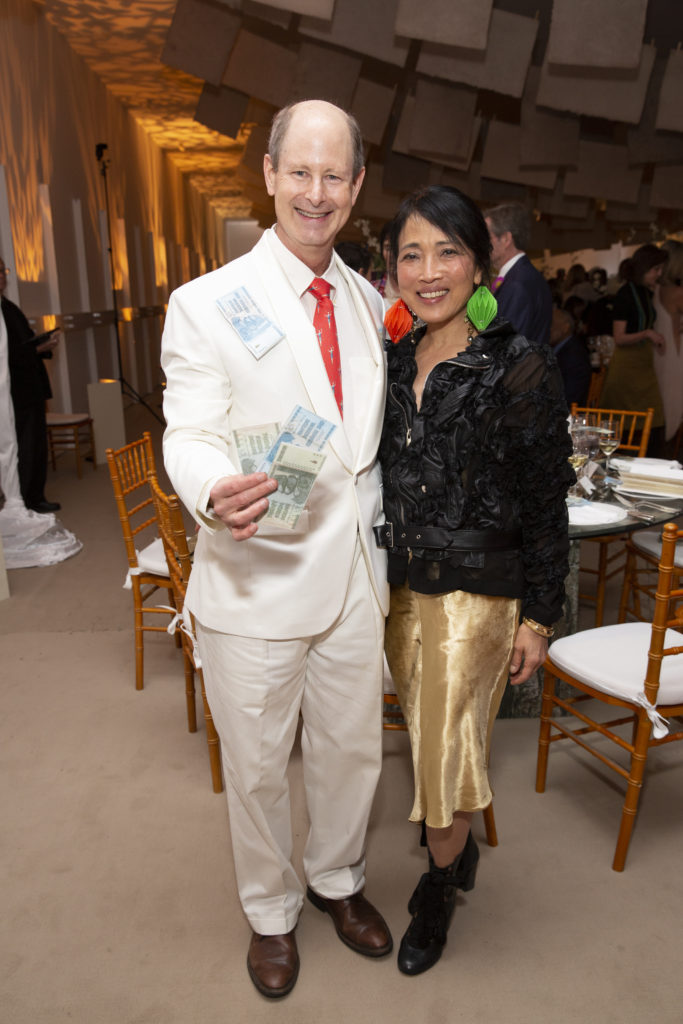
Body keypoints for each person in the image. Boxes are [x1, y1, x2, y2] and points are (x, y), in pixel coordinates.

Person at [160, 99, 391, 999]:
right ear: (268, 174)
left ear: (357, 187)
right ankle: (269, 909)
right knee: (256, 766)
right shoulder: (207, 302)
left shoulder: (371, 301)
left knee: (350, 751)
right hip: (257, 574)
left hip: (354, 580)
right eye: (300, 171)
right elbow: (189, 427)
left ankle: (337, 879)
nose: (315, 192)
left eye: (334, 175)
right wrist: (211, 487)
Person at [378, 185, 572, 976]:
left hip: (478, 594)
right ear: (391, 269)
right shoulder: (390, 359)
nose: (428, 272)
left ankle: (435, 885)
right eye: (410, 255)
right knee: (427, 739)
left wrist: (538, 616)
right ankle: (455, 859)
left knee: (445, 750)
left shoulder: (517, 365)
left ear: (480, 264)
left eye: (446, 251)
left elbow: (543, 498)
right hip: (399, 589)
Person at [0, 257, 60, 513]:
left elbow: (21, 344)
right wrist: (39, 349)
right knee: (25, 446)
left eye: (3, 270)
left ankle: (35, 495)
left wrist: (40, 347)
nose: (3, 275)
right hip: (17, 392)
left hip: (30, 387)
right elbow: (9, 355)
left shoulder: (9, 306)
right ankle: (27, 500)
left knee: (35, 444)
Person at [600, 244, 668, 455]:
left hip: (643, 363)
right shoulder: (625, 295)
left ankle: (645, 460)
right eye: (655, 269)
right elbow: (619, 337)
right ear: (643, 268)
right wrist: (647, 334)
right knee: (626, 422)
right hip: (627, 367)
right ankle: (629, 462)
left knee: (653, 418)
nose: (659, 274)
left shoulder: (645, 292)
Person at [484, 202, 553, 346]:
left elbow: (507, 348)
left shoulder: (517, 284)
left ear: (506, 239)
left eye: (486, 237)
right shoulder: (522, 275)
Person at [653, 240, 683, 451]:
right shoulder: (677, 292)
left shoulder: (653, 289)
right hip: (674, 352)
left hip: (657, 353)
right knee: (673, 403)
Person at [550, 306, 592, 406]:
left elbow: (570, 398)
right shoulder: (564, 349)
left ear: (566, 328)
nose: (547, 328)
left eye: (551, 324)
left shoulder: (574, 355)